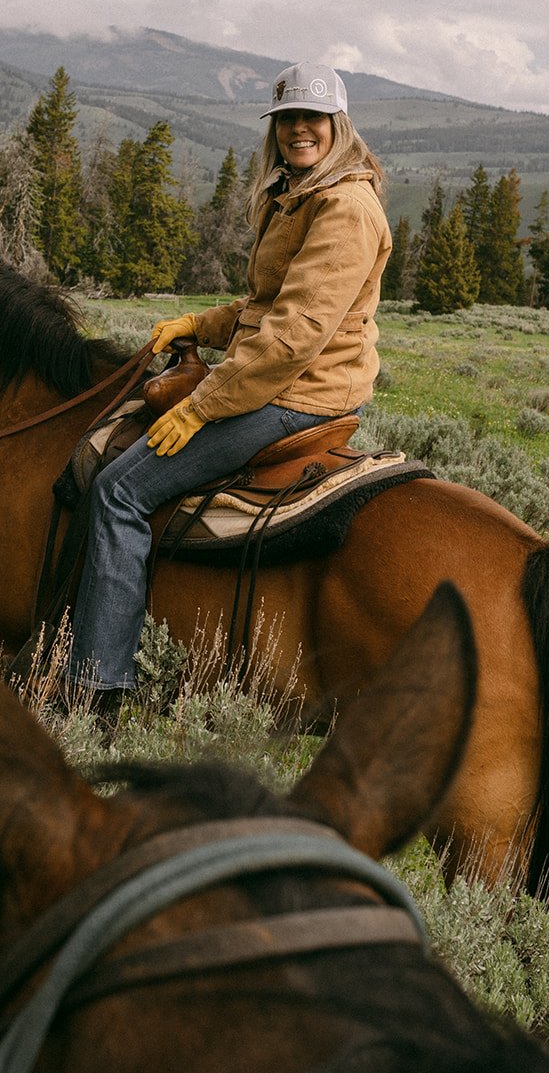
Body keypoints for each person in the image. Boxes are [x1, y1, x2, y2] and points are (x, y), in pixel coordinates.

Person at [67, 61, 392, 716]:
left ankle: (96, 687)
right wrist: (201, 325)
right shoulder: (298, 194)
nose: (299, 129)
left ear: (338, 125)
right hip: (275, 377)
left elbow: (294, 335)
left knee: (119, 490)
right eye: (287, 119)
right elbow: (264, 308)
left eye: (312, 118)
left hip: (296, 393)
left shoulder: (343, 209)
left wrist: (202, 405)